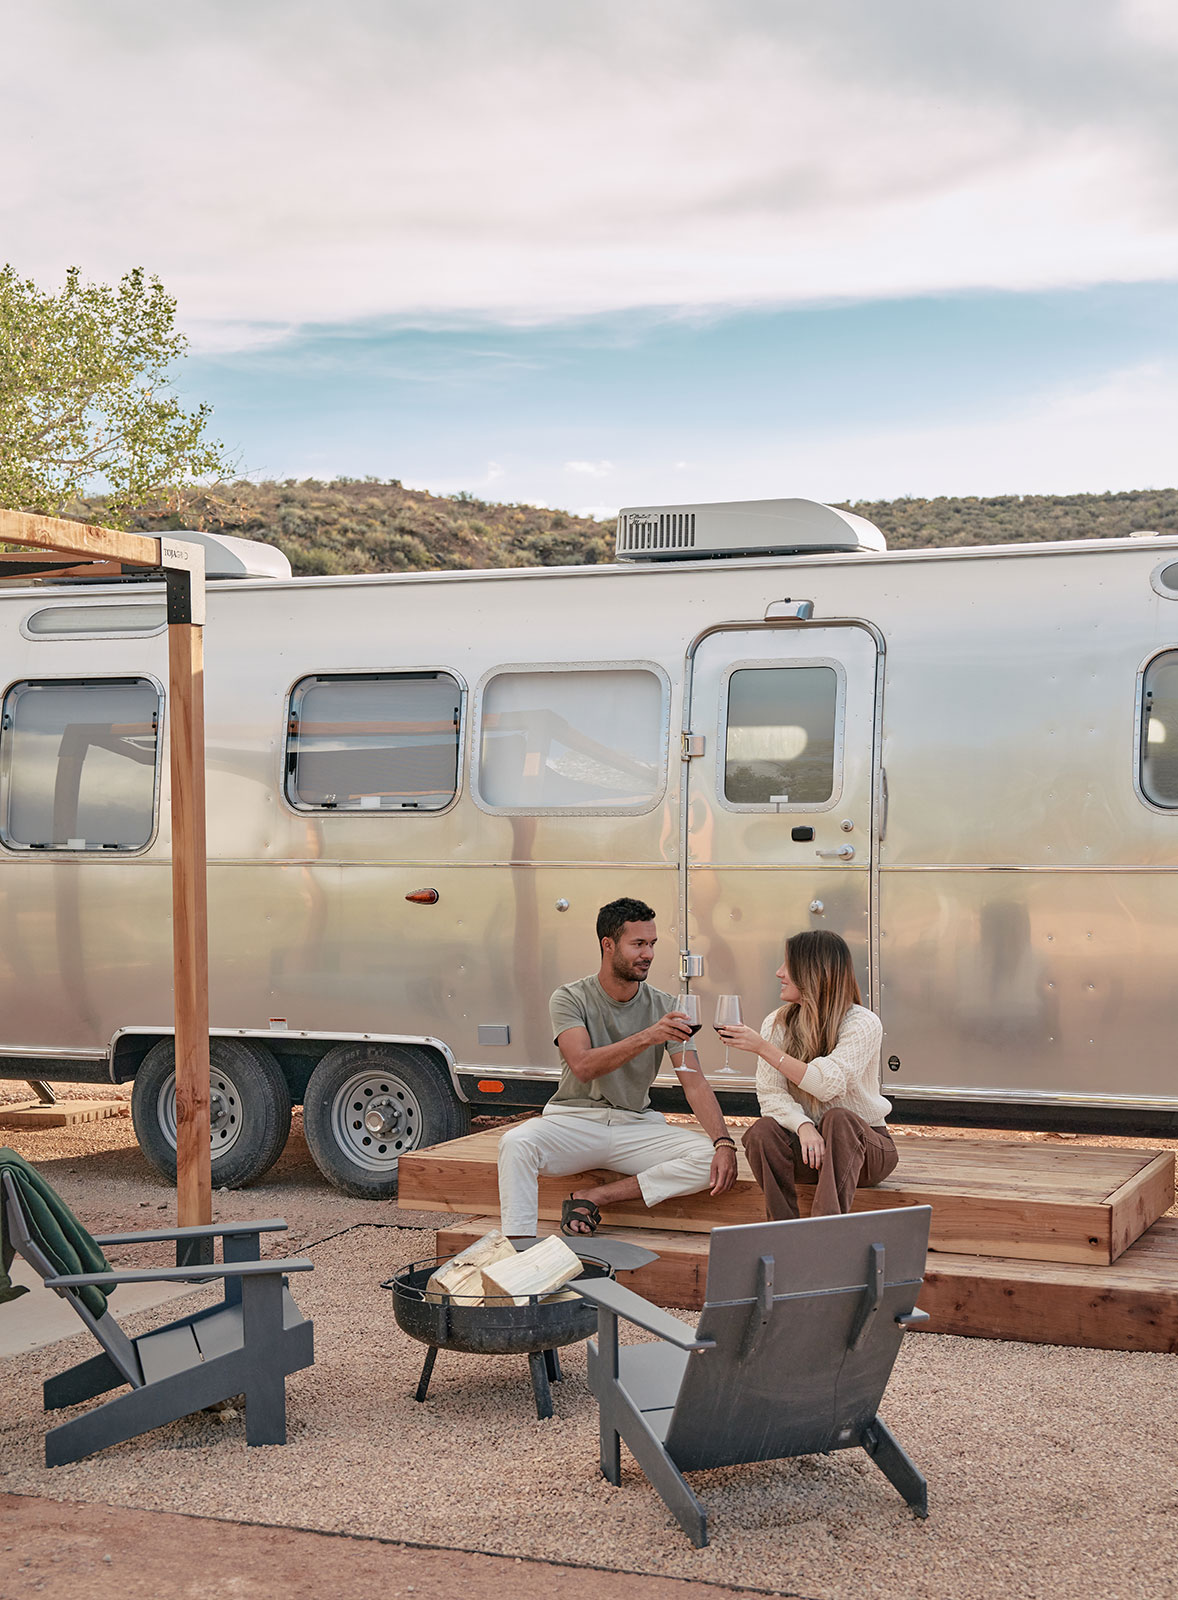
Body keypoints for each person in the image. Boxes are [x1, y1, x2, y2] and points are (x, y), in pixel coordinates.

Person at [497, 897, 738, 1237]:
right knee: (515, 1143)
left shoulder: (666, 1005)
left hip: (634, 1125)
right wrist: (648, 1036)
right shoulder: (570, 998)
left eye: (652, 944)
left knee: (706, 1159)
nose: (648, 954)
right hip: (574, 1121)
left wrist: (723, 1142)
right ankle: (519, 1243)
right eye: (638, 944)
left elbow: (694, 1082)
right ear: (607, 945)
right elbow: (582, 1065)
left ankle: (595, 1197)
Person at [717, 929, 897, 1220]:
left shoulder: (862, 1023)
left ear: (813, 972)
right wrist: (803, 1126)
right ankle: (782, 1228)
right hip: (808, 1150)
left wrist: (762, 1048)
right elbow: (771, 1095)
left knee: (838, 1119)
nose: (779, 972)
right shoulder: (777, 1022)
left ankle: (822, 1232)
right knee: (762, 1132)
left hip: (863, 1152)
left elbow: (827, 1085)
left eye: (788, 965)